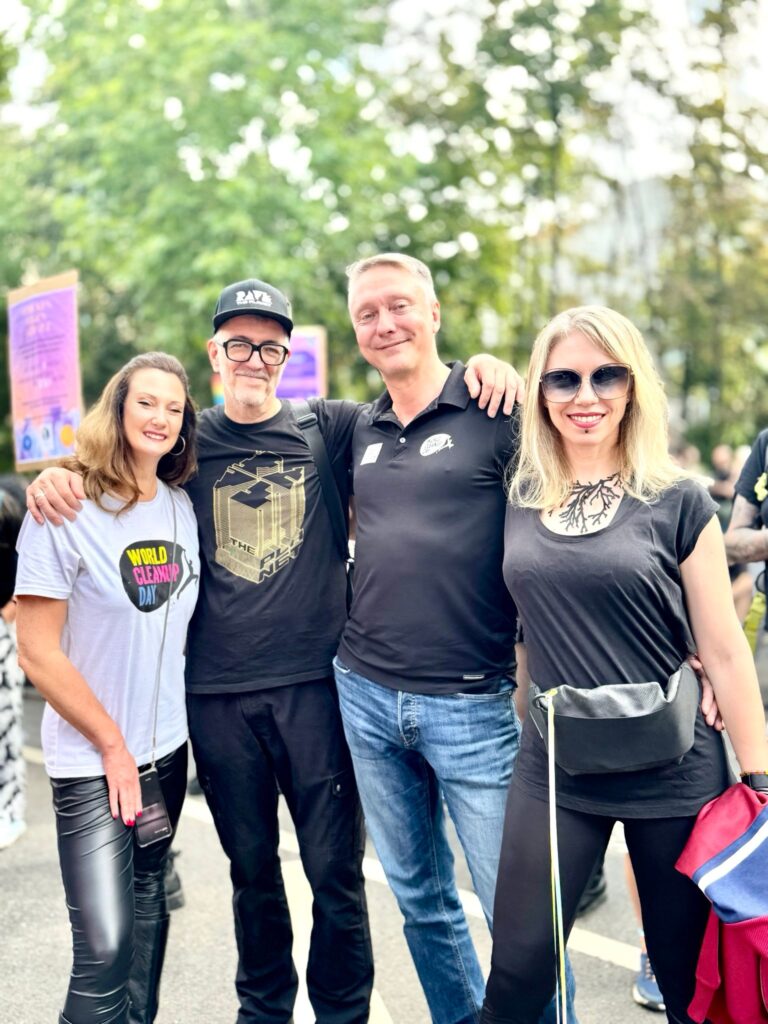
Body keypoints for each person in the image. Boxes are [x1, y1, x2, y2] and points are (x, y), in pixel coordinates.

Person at [28, 276, 519, 1024]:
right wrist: (56, 477)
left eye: (269, 347)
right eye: (239, 345)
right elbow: (115, 468)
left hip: (317, 691)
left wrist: (484, 366)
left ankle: (342, 1013)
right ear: (214, 353)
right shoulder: (186, 444)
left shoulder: (331, 426)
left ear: (286, 357)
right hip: (217, 699)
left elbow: (416, 400)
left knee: (335, 877)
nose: (253, 360)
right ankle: (264, 1011)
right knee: (252, 875)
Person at [480, 306, 768, 1024]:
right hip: (556, 766)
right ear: (539, 390)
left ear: (633, 385)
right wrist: (476, 368)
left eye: (606, 375)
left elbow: (724, 649)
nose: (586, 395)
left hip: (674, 768)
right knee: (515, 976)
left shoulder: (679, 498)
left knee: (688, 988)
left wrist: (761, 784)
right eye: (564, 378)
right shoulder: (518, 494)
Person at [332, 253, 576, 1024]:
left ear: (433, 313)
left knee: (520, 919)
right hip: (365, 694)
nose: (385, 323)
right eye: (368, 313)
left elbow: (567, 520)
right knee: (421, 903)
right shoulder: (357, 428)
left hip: (471, 705)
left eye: (399, 305)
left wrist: (497, 369)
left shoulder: (499, 410)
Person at [15, 352, 200, 1024]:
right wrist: (112, 745)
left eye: (174, 408)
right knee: (104, 952)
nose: (160, 417)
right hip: (93, 764)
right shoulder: (63, 510)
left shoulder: (182, 508)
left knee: (149, 912)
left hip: (165, 756)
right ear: (118, 409)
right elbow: (36, 651)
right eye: (146, 401)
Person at [0, 479, 27, 850]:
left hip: (4, 632)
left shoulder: (7, 506)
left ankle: (11, 810)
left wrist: (10, 611)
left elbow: (28, 564)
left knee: (5, 723)